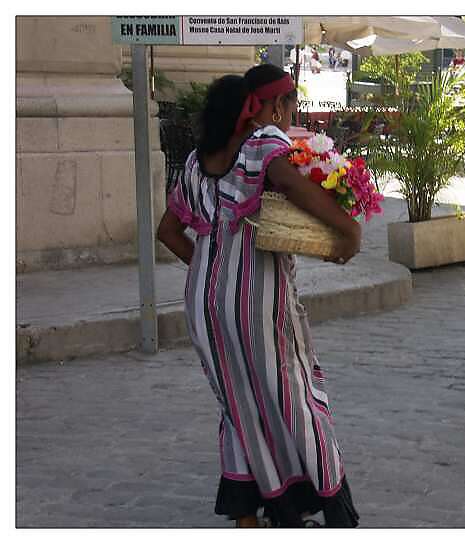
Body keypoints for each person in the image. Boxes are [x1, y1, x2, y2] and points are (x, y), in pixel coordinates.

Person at [156, 63, 361, 528]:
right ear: (270, 105)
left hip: (203, 304)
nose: (291, 113)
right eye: (289, 104)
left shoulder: (195, 161)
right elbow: (292, 185)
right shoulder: (263, 144)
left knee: (238, 403)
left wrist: (213, 272)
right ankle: (331, 508)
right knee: (293, 396)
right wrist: (348, 230)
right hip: (256, 302)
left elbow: (168, 231)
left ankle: (247, 513)